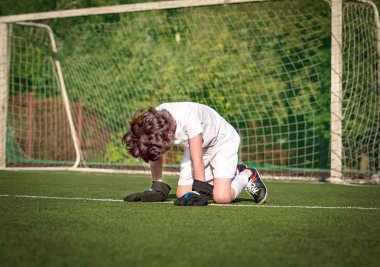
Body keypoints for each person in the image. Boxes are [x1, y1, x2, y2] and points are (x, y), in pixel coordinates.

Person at [122, 102, 267, 206]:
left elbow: (197, 158)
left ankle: (246, 174)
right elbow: (155, 154)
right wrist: (157, 185)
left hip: (222, 142)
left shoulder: (188, 117)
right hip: (197, 147)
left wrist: (200, 191)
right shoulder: (153, 122)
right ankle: (226, 175)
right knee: (182, 194)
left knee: (222, 197)